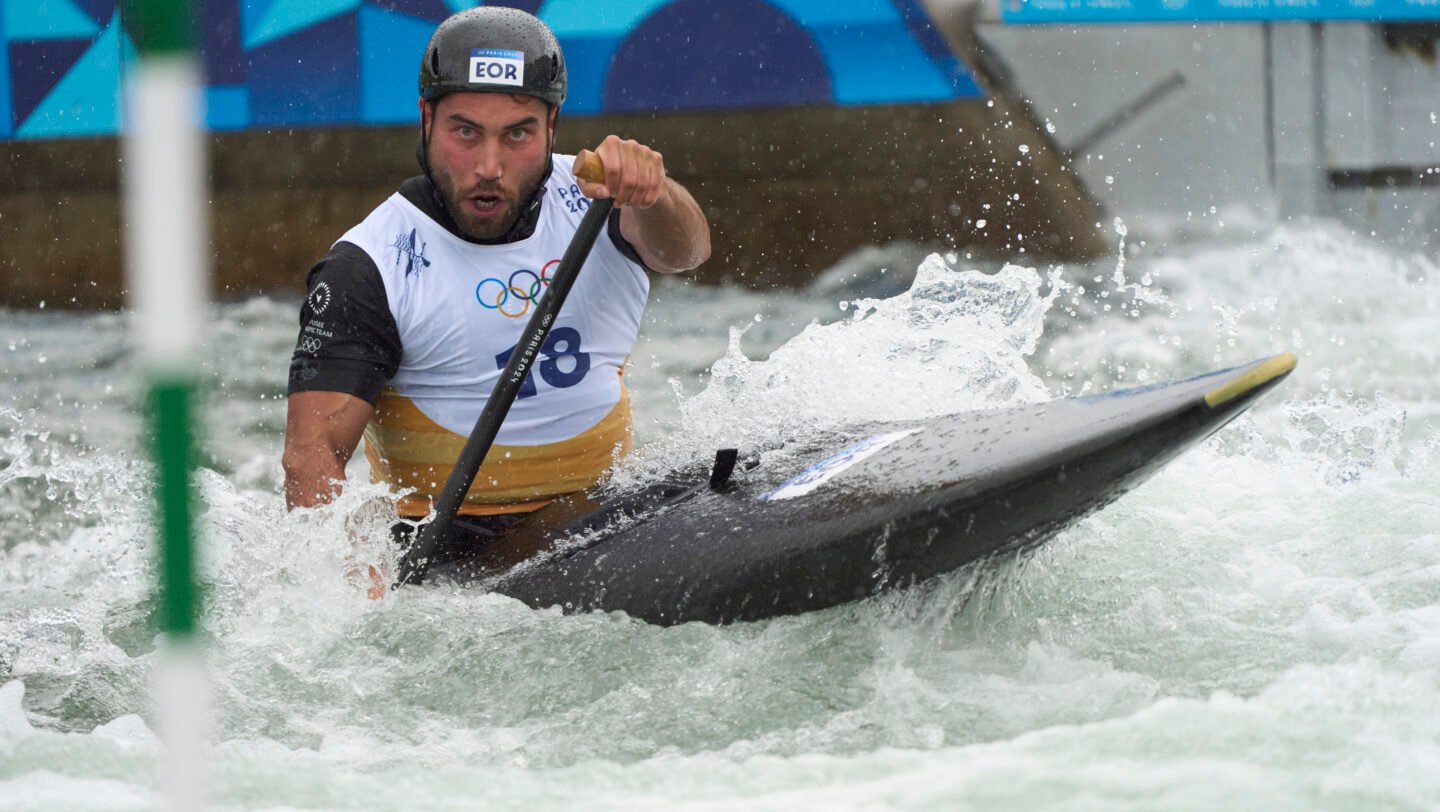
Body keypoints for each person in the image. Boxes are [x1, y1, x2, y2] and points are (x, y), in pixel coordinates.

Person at [281, 7, 711, 595]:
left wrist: (655, 195)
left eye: (517, 134)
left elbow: (686, 252)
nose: (489, 167)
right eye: (465, 132)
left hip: (612, 515)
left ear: (552, 125)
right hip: (455, 557)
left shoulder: (598, 199)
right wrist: (347, 589)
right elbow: (312, 455)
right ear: (426, 119)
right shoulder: (368, 266)